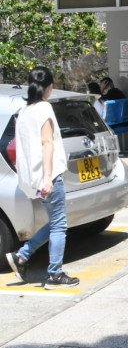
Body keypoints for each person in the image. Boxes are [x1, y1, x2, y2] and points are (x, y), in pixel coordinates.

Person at [5, 67, 80, 289]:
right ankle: (55, 274)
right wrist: (48, 177)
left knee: (56, 222)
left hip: (33, 178)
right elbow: (47, 143)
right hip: (49, 176)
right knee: (59, 226)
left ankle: (22, 256)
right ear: (49, 86)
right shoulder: (44, 108)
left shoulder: (24, 109)